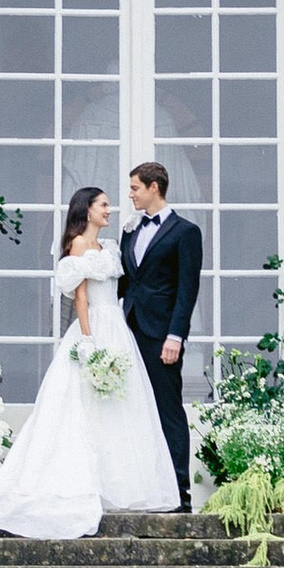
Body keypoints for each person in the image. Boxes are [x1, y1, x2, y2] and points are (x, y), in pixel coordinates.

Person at [0, 186, 181, 539]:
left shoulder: (112, 247)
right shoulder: (78, 246)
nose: (109, 210)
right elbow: (81, 298)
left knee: (120, 408)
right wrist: (88, 341)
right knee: (82, 407)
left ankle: (116, 486)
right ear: (86, 210)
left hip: (117, 328)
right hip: (94, 329)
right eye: (103, 205)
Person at [120, 161, 203, 512]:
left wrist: (176, 336)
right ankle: (143, 489)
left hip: (161, 335)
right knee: (132, 411)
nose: (131, 194)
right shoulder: (130, 230)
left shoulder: (185, 232)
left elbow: (188, 289)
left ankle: (179, 494)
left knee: (168, 410)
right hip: (128, 329)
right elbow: (127, 281)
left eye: (136, 187)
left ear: (155, 187)